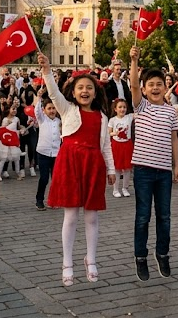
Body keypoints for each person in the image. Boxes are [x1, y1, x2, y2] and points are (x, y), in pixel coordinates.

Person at [38, 51, 115, 287]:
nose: (85, 91)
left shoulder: (102, 117)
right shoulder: (67, 109)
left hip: (93, 165)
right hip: (70, 162)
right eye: (80, 87)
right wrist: (47, 70)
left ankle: (91, 259)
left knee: (92, 216)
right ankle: (67, 262)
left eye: (89, 88)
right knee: (70, 215)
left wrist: (111, 168)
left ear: (95, 92)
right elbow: (52, 91)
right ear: (73, 91)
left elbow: (106, 145)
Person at [128, 45, 178, 282]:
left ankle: (163, 254)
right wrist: (134, 61)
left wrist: (176, 166)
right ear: (145, 90)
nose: (156, 87)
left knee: (165, 216)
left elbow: (174, 139)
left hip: (163, 172)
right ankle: (141, 257)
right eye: (151, 84)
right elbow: (132, 85)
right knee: (143, 216)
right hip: (142, 171)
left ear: (164, 87)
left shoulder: (171, 112)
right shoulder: (142, 106)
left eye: (159, 84)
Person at [34, 94, 61, 211]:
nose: (52, 111)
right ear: (44, 110)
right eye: (49, 108)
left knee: (55, 179)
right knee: (44, 178)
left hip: (56, 153)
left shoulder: (59, 121)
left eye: (53, 108)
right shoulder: (42, 119)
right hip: (43, 153)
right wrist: (39, 98)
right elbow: (37, 111)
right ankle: (39, 200)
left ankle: (53, 200)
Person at [107, 99, 134, 198]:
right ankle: (115, 189)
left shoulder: (129, 117)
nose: (122, 109)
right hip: (116, 145)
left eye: (124, 107)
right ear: (115, 109)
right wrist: (114, 133)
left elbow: (139, 113)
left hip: (127, 145)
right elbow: (108, 132)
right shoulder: (112, 120)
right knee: (117, 169)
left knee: (127, 168)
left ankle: (125, 188)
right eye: (120, 107)